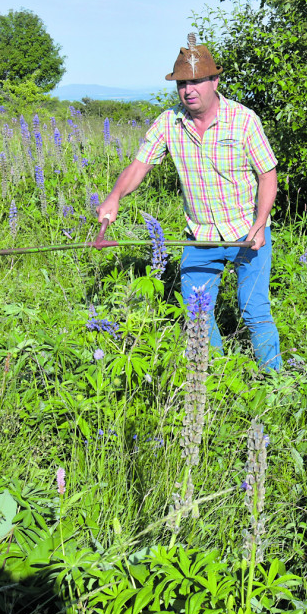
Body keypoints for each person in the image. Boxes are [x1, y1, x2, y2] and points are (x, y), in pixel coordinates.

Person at [96, 34, 282, 371]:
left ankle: (275, 381)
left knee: (253, 309)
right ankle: (214, 378)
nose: (189, 90)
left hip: (247, 233)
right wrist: (115, 195)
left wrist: (260, 223)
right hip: (200, 236)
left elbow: (268, 174)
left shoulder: (243, 120)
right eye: (182, 83)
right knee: (196, 311)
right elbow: (140, 165)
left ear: (215, 80)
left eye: (196, 81)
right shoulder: (170, 122)